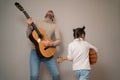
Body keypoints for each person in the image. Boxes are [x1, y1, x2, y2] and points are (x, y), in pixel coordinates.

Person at [26, 10, 61, 80]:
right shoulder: (37, 23)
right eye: (48, 12)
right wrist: (29, 26)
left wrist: (50, 43)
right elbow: (28, 35)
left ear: (53, 17)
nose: (50, 13)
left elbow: (59, 41)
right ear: (45, 15)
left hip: (47, 53)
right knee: (34, 76)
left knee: (56, 74)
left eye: (51, 13)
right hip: (35, 52)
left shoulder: (54, 26)